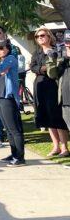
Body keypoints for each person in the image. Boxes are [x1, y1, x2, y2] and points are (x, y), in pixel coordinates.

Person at [30, 27, 69, 157]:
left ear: (49, 36)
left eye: (42, 35)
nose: (40, 38)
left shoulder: (57, 50)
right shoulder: (37, 53)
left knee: (57, 116)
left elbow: (61, 66)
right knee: (47, 117)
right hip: (40, 86)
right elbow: (33, 67)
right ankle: (56, 146)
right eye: (37, 36)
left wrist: (47, 68)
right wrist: (43, 68)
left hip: (54, 85)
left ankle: (64, 147)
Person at [0, 39, 26, 166]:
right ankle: (14, 154)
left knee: (14, 129)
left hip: (9, 98)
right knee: (8, 129)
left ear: (8, 48)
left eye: (1, 48)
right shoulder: (2, 61)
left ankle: (20, 158)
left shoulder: (11, 58)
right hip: (0, 96)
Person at [46, 30, 70, 167]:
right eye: (66, 42)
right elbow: (52, 74)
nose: (68, 45)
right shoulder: (61, 54)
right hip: (65, 97)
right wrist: (52, 60)